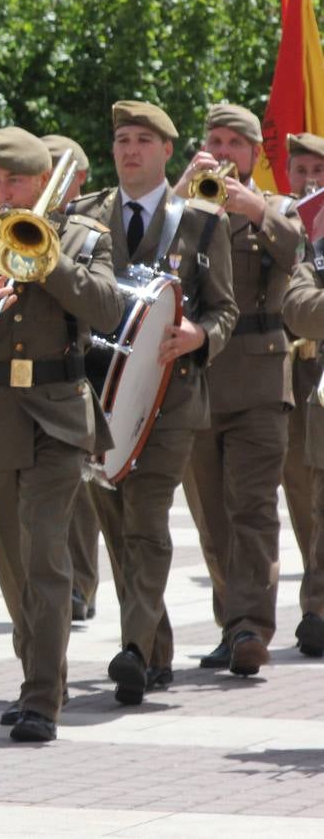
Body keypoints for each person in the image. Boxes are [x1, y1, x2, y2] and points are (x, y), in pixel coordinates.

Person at [0, 127, 122, 742]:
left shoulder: (84, 239)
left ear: (42, 183)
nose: (3, 191)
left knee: (45, 552)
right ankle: (39, 675)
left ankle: (44, 697)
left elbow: (108, 309)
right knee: (11, 564)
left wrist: (49, 261)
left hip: (59, 414)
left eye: (15, 180)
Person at [69, 101, 236, 702]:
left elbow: (225, 309)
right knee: (116, 527)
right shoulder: (85, 219)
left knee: (144, 520)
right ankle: (155, 646)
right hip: (96, 396)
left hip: (170, 398)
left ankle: (134, 650)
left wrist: (200, 336)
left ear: (168, 151)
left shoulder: (197, 220)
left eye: (143, 140)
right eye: (121, 140)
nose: (130, 150)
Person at [176, 104, 302, 679]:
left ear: (255, 154)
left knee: (252, 510)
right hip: (198, 382)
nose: (223, 152)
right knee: (211, 519)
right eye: (215, 141)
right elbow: (152, 260)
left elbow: (298, 254)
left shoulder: (280, 209)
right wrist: (180, 198)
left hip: (258, 380)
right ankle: (232, 622)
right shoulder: (190, 205)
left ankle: (251, 626)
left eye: (235, 143)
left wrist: (256, 209)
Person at [42, 133, 103, 622]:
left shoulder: (92, 224)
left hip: (92, 362)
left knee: (81, 491)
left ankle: (82, 583)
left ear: (76, 177)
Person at [281, 131, 324, 657]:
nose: (309, 179)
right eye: (300, 170)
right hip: (298, 377)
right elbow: (297, 305)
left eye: (318, 169)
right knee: (307, 497)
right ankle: (316, 604)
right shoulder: (296, 232)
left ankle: (316, 605)